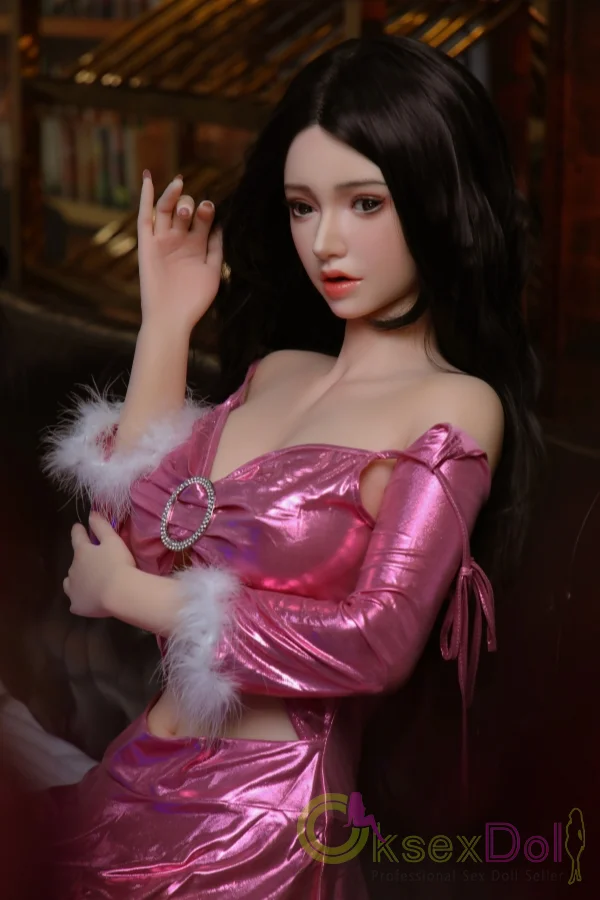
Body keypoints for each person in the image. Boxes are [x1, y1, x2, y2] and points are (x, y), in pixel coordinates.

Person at [41, 34, 545, 899]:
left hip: (261, 820)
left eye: (365, 203)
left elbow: (376, 644)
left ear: (436, 200)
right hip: (138, 768)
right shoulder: (277, 372)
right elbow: (143, 540)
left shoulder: (455, 408)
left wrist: (130, 596)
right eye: (303, 207)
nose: (326, 242)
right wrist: (167, 325)